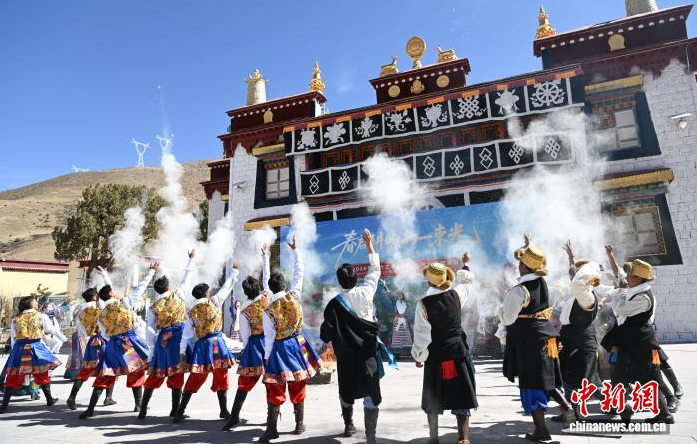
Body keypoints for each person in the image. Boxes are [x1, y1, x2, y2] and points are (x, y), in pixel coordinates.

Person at [321, 229, 394, 443]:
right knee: (370, 391)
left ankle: (348, 425)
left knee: (346, 391)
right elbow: (375, 271)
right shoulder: (365, 292)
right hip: (367, 354)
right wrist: (369, 246)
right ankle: (371, 436)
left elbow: (326, 333)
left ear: (340, 281)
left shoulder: (333, 305)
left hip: (346, 358)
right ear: (356, 279)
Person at [499, 236, 575, 442]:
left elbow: (508, 318)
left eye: (520, 263)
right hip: (547, 337)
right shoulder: (542, 282)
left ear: (524, 267)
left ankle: (542, 431)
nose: (518, 266)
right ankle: (566, 405)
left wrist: (500, 311)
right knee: (546, 378)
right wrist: (529, 246)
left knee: (532, 384)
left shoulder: (519, 290)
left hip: (529, 340)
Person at [259, 236, 321, 443]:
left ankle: (271, 429)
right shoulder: (294, 295)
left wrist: (267, 357)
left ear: (270, 289)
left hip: (278, 348)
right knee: (298, 382)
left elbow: (269, 337)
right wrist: (296, 250)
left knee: (275, 386)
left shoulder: (268, 310)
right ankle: (299, 424)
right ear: (284, 286)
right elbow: (299, 273)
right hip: (297, 344)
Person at [412, 253, 478, 444]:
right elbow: (467, 282)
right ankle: (463, 439)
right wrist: (466, 264)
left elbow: (422, 335)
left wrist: (419, 356)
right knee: (462, 397)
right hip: (458, 353)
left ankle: (433, 439)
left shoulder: (423, 304)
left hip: (436, 356)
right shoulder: (456, 295)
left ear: (428, 281)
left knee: (433, 399)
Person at [602, 258, 674, 424]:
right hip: (630, 341)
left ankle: (664, 414)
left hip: (640, 343)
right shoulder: (635, 289)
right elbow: (620, 278)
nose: (627, 277)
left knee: (647, 379)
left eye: (630, 275)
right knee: (620, 374)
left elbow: (621, 308)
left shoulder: (643, 297)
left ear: (639, 278)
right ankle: (622, 408)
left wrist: (619, 291)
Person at [78, 265, 156, 419]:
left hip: (113, 345)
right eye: (112, 291)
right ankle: (139, 404)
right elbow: (140, 288)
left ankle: (90, 409)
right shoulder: (124, 302)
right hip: (128, 343)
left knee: (106, 373)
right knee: (136, 371)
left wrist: (114, 339)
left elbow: (104, 334)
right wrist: (151, 272)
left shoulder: (101, 313)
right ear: (111, 294)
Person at [172, 262, 239, 423]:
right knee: (221, 374)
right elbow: (227, 287)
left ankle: (180, 411)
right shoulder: (214, 302)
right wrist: (234, 271)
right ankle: (223, 410)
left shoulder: (191, 312)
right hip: (217, 344)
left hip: (202, 346)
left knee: (196, 376)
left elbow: (186, 335)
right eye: (208, 291)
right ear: (206, 293)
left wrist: (182, 352)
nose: (210, 293)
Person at [138, 252, 196, 420]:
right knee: (177, 372)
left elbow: (149, 329)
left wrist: (152, 347)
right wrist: (191, 259)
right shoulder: (178, 294)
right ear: (168, 287)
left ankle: (143, 409)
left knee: (156, 372)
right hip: (178, 338)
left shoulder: (153, 306)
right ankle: (175, 410)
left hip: (163, 339)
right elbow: (187, 278)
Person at [223, 247, 272, 431]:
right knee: (271, 380)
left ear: (245, 292)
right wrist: (265, 258)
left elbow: (245, 334)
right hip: (270, 341)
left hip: (254, 344)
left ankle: (234, 416)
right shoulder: (267, 297)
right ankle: (271, 416)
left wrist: (247, 346)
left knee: (245, 382)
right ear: (259, 288)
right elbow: (267, 279)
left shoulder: (244, 309)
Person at [553, 241, 601, 422]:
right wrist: (570, 256)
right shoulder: (578, 293)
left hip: (582, 343)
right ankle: (569, 412)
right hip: (570, 340)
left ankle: (621, 407)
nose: (573, 276)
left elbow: (577, 280)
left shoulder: (586, 296)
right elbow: (575, 275)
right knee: (568, 378)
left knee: (584, 382)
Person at [1, 295, 67, 413]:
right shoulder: (41, 316)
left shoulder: (16, 319)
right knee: (42, 372)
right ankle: (49, 399)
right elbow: (52, 330)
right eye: (35, 301)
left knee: (13, 376)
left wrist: (14, 352)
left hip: (19, 348)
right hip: (36, 347)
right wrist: (65, 339)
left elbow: (13, 338)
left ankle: (4, 406)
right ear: (30, 304)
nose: (37, 303)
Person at [66, 286, 117, 410]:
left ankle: (72, 397)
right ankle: (108, 397)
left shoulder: (81, 310)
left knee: (85, 370)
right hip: (103, 340)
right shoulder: (98, 308)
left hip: (91, 341)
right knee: (110, 368)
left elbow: (82, 328)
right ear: (94, 297)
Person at [390, 291, 413, 357]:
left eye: (400, 295)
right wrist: (396, 316)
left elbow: (408, 312)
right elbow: (393, 311)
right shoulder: (395, 303)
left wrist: (405, 316)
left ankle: (408, 352)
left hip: (404, 320)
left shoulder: (405, 303)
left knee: (406, 336)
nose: (399, 296)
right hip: (397, 320)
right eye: (398, 295)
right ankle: (397, 353)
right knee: (397, 337)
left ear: (403, 296)